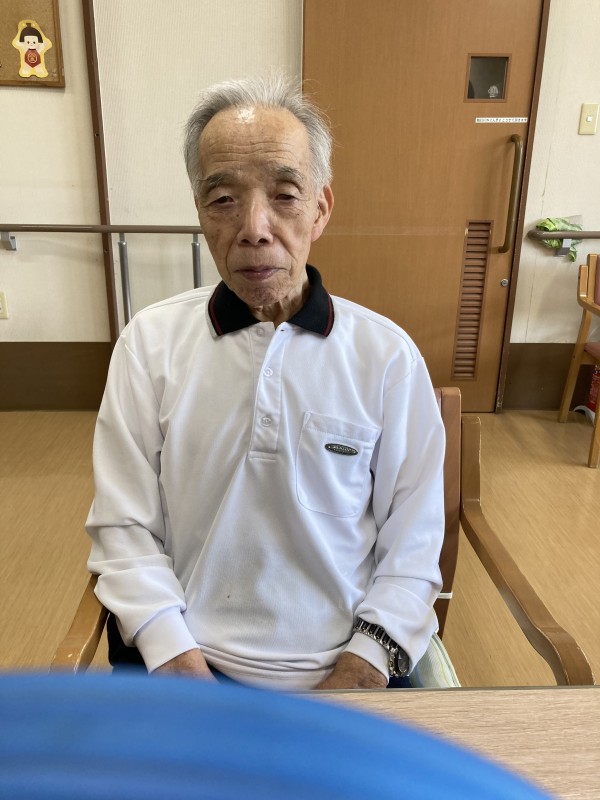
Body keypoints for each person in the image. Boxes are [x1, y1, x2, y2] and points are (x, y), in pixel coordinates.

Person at [86, 73, 445, 690]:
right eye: (224, 198)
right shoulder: (149, 343)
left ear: (321, 208)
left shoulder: (387, 357)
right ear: (200, 212)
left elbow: (413, 547)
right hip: (186, 663)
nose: (254, 227)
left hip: (351, 664)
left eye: (284, 195)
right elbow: (123, 530)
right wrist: (180, 666)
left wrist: (358, 675)